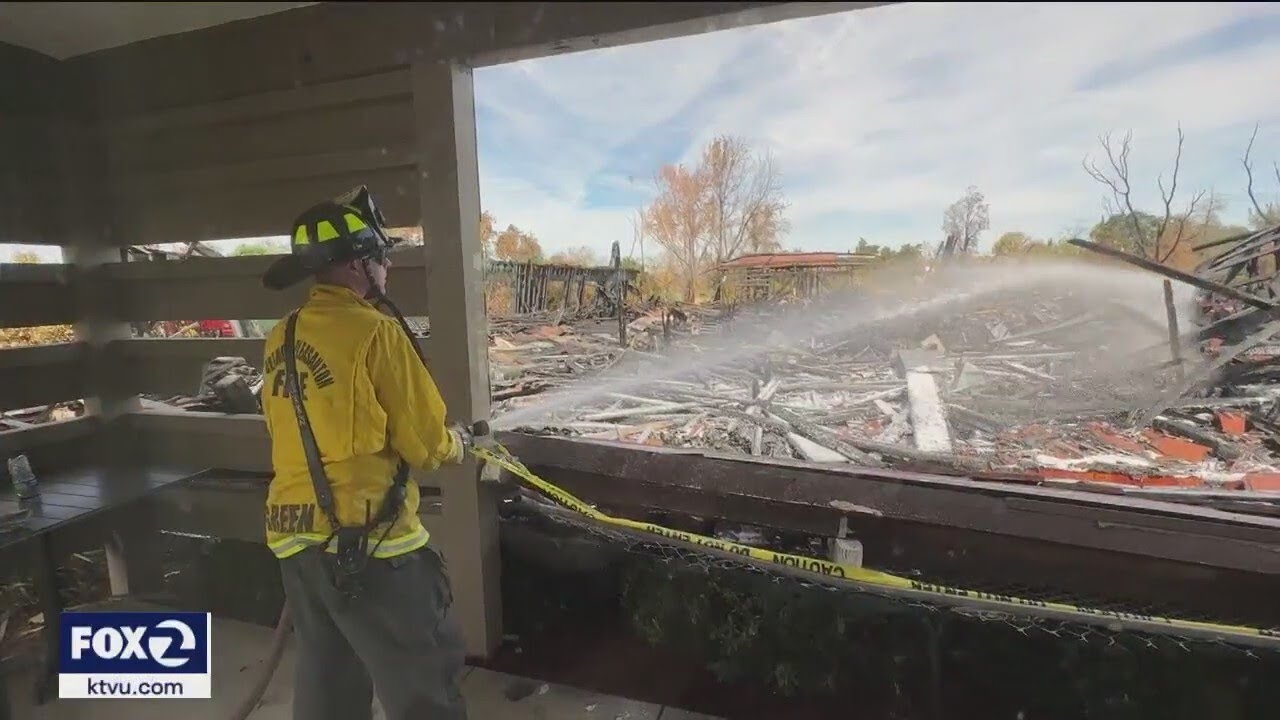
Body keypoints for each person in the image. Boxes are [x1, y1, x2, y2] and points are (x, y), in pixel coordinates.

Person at [259, 186, 472, 720]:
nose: (387, 270)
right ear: (359, 263)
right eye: (383, 258)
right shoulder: (376, 333)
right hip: (372, 548)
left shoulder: (279, 336)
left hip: (296, 542)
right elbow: (425, 445)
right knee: (423, 678)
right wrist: (462, 444)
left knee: (329, 676)